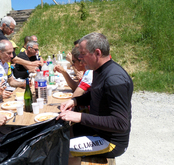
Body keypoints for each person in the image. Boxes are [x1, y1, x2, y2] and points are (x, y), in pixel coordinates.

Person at [57, 32, 133, 160]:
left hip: (110, 141)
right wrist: (74, 101)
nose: (80, 58)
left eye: (83, 53)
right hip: (96, 129)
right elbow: (95, 94)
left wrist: (80, 116)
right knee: (58, 134)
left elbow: (121, 124)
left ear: (97, 53)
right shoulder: (99, 70)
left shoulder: (114, 80)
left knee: (59, 151)